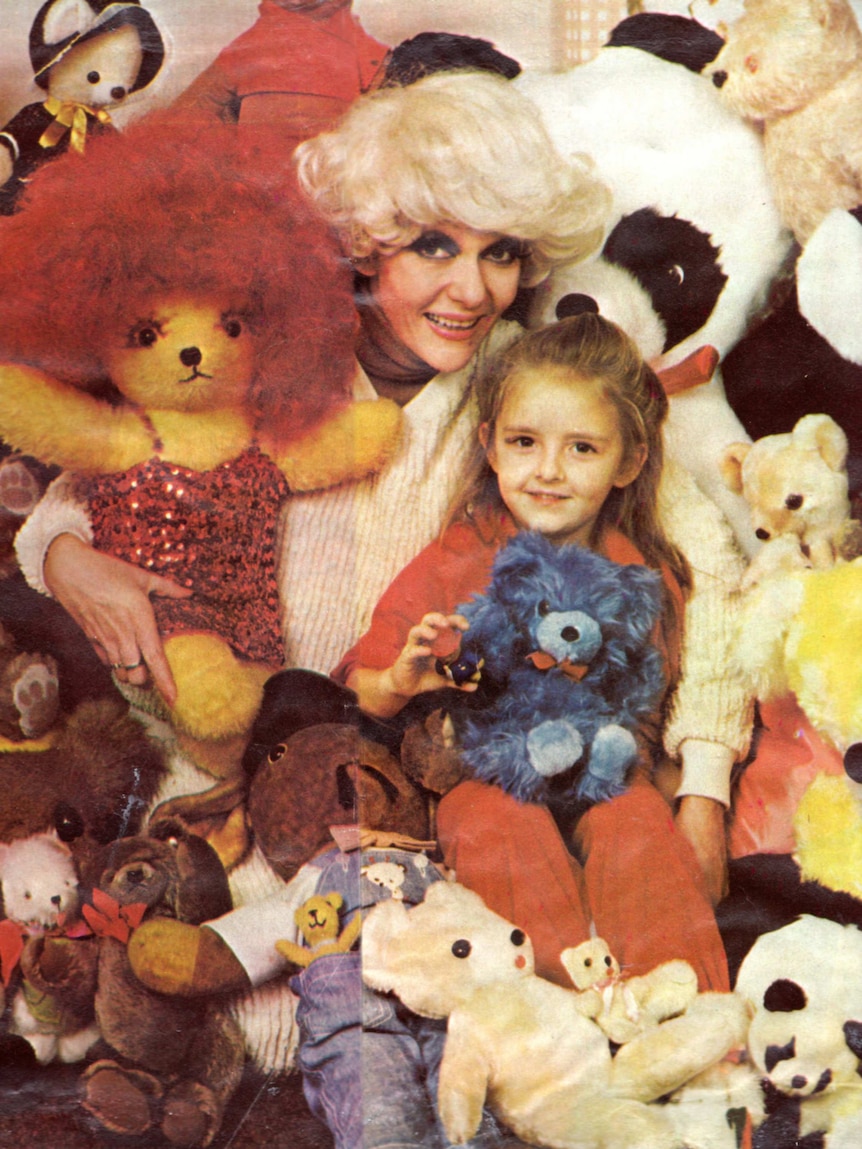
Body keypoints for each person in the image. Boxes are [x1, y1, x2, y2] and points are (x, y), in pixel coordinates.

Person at [18, 70, 744, 957]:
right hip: (225, 750)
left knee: (342, 982)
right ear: (369, 245)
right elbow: (108, 471)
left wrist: (705, 788)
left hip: (410, 788)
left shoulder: (534, 378)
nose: (473, 290)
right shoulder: (272, 346)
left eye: (502, 251)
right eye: (435, 246)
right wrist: (65, 556)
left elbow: (704, 555)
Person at [335, 312, 729, 992]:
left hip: (598, 769)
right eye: (524, 442)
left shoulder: (641, 575)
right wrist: (403, 677)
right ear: (490, 446)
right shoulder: (460, 553)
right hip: (488, 776)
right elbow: (358, 687)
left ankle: (684, 1015)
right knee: (491, 819)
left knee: (635, 820)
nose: (548, 471)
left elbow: (645, 717)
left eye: (583, 449)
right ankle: (554, 1008)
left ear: (629, 462)